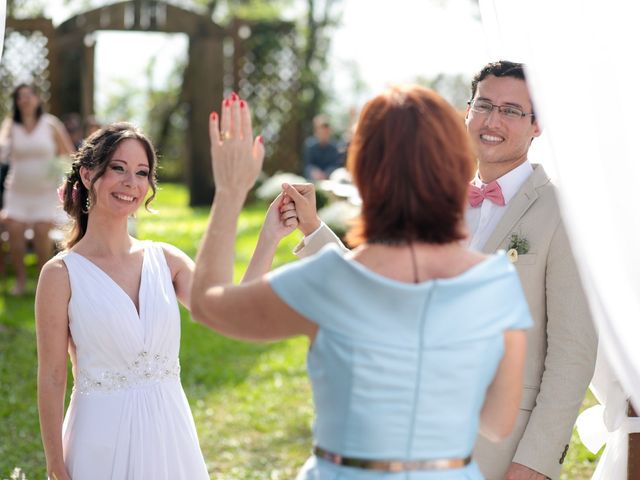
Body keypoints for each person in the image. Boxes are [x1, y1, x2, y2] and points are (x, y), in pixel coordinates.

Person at [190, 88, 532, 479]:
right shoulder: (496, 283)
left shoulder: (328, 280)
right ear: (455, 166)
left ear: (364, 170)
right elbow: (498, 423)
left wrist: (231, 191)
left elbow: (208, 304)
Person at [288, 61, 597, 480]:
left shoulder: (563, 214)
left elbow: (571, 353)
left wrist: (535, 462)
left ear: (537, 125)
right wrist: (313, 227)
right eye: (484, 105)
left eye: (511, 111)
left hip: (498, 451)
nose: (492, 121)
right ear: (467, 111)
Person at [35, 123, 209, 480]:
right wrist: (55, 463)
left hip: (169, 436)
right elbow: (52, 376)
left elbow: (229, 308)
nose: (131, 182)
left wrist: (269, 235)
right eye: (118, 168)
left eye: (142, 172)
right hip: (99, 441)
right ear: (87, 175)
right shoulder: (60, 275)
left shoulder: (167, 261)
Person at [0, 84, 75, 295]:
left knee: (43, 234)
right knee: (15, 232)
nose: (24, 100)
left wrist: (68, 182)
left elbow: (68, 154)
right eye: (20, 97)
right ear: (16, 102)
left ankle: (43, 282)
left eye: (28, 95)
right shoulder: (10, 125)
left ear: (38, 99)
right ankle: (21, 281)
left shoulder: (50, 124)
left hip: (46, 192)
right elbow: (2, 146)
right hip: (17, 192)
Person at [302, 114, 343, 180]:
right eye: (321, 131)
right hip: (314, 179)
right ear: (316, 131)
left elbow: (336, 165)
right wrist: (314, 172)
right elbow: (308, 165)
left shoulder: (335, 146)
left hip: (330, 179)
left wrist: (327, 173)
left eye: (326, 132)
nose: (323, 134)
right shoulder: (310, 145)